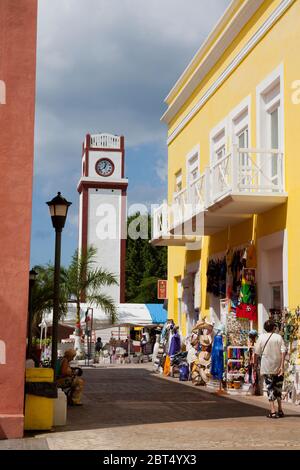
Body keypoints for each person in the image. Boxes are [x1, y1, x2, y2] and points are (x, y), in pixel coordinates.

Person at [254, 320, 286, 418]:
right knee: (278, 387)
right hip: (278, 365)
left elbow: (256, 352)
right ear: (274, 328)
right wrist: (282, 366)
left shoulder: (261, 337)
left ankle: (272, 410)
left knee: (270, 387)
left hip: (267, 366)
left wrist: (255, 364)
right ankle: (280, 409)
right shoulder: (278, 337)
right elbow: (283, 351)